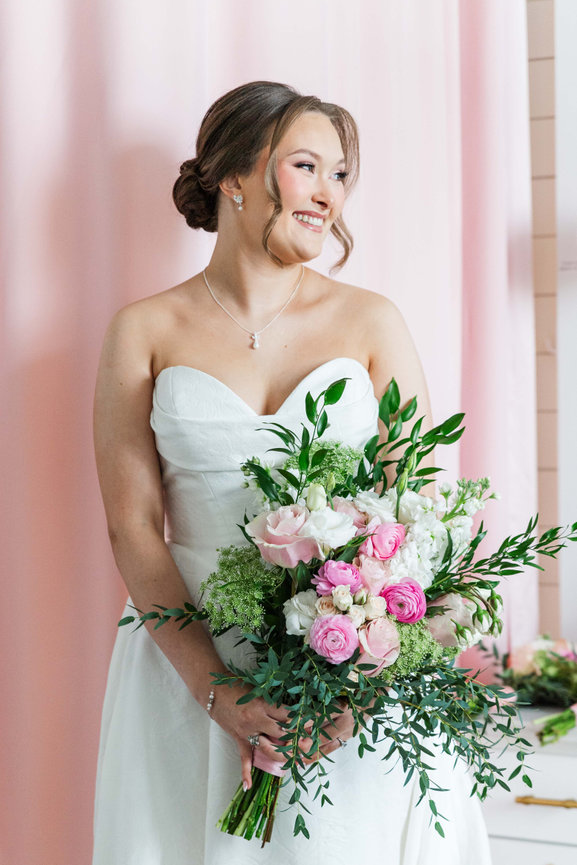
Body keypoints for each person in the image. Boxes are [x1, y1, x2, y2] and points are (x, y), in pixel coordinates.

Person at [92, 80, 492, 864]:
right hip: (188, 655)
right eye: (306, 165)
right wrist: (217, 689)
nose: (328, 194)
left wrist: (358, 688)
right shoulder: (141, 329)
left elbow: (424, 514)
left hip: (346, 671)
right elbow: (132, 523)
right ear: (233, 175)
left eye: (341, 175)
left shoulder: (370, 319)